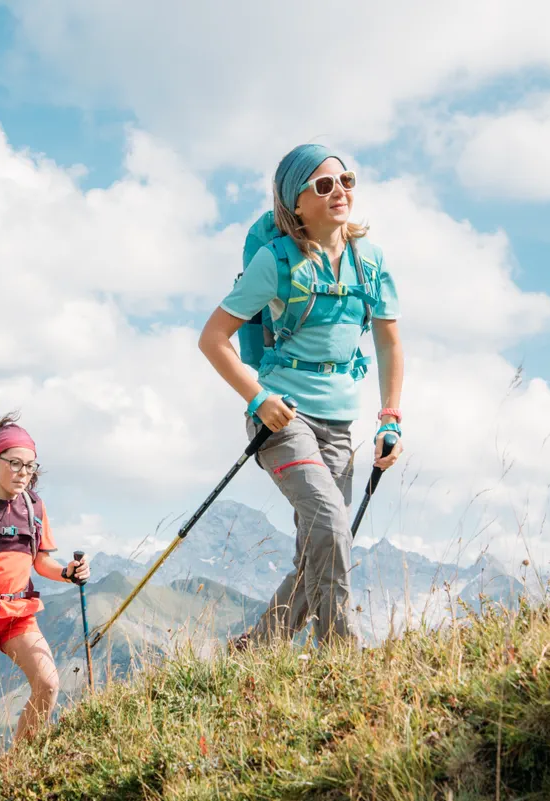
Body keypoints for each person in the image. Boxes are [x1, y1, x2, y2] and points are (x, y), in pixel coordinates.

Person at [198, 143, 405, 649]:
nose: (340, 192)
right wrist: (258, 399)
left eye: (347, 181)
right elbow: (213, 338)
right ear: (296, 202)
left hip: (339, 423)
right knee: (331, 524)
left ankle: (258, 649)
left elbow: (388, 343)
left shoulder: (371, 261)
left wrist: (390, 419)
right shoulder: (274, 262)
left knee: (320, 547)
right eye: (324, 185)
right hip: (282, 418)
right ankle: (341, 656)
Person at [0, 413, 90, 784]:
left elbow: (42, 562)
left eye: (30, 465)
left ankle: (15, 770)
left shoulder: (34, 508)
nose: (23, 472)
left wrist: (68, 572)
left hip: (20, 614)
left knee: (48, 684)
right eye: (15, 463)